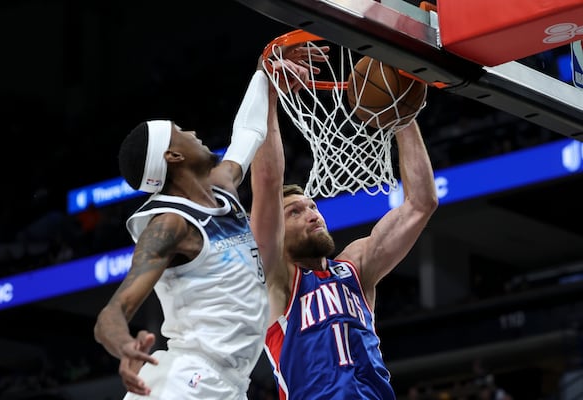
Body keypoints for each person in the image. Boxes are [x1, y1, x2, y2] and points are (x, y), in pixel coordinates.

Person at [93, 50, 315, 400]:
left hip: (228, 384)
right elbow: (111, 314)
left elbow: (249, 132)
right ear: (173, 156)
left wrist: (263, 75)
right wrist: (125, 347)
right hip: (186, 381)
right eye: (180, 132)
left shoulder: (222, 186)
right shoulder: (169, 225)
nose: (192, 131)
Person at [250, 84, 438, 398]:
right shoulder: (278, 282)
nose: (313, 214)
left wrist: (403, 116)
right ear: (276, 231)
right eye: (295, 212)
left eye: (312, 206)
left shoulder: (355, 268)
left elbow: (421, 203)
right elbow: (268, 180)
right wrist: (269, 92)